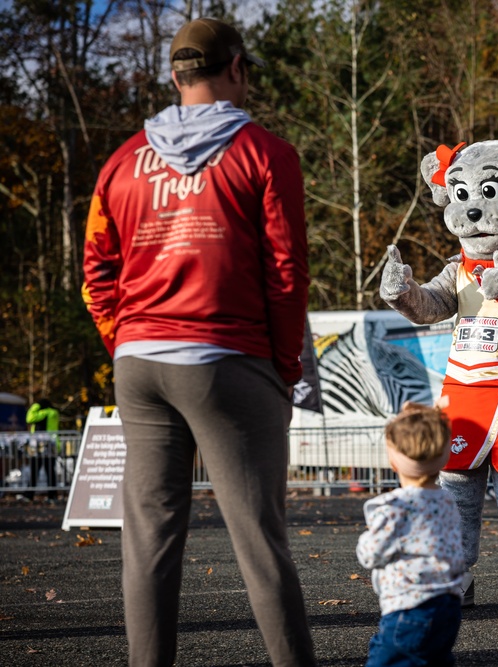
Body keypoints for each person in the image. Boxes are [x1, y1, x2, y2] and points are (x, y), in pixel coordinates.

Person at [81, 17, 315, 666]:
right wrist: (286, 364)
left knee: (149, 540)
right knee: (259, 539)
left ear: (175, 75)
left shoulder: (122, 161)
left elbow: (95, 270)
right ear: (236, 68)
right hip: (228, 357)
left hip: (140, 361)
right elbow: (286, 270)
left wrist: (122, 339)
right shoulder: (265, 153)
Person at [357, 401, 465, 667]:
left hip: (409, 606)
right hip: (449, 605)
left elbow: (371, 555)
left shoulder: (395, 506)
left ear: (393, 460)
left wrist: (365, 538)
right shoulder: (447, 500)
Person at [24, 398, 60, 502]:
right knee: (45, 471)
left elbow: (29, 418)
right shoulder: (53, 412)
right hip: (44, 446)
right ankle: (50, 496)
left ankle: (32, 495)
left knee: (39, 471)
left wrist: (36, 406)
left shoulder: (47, 413)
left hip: (46, 446)